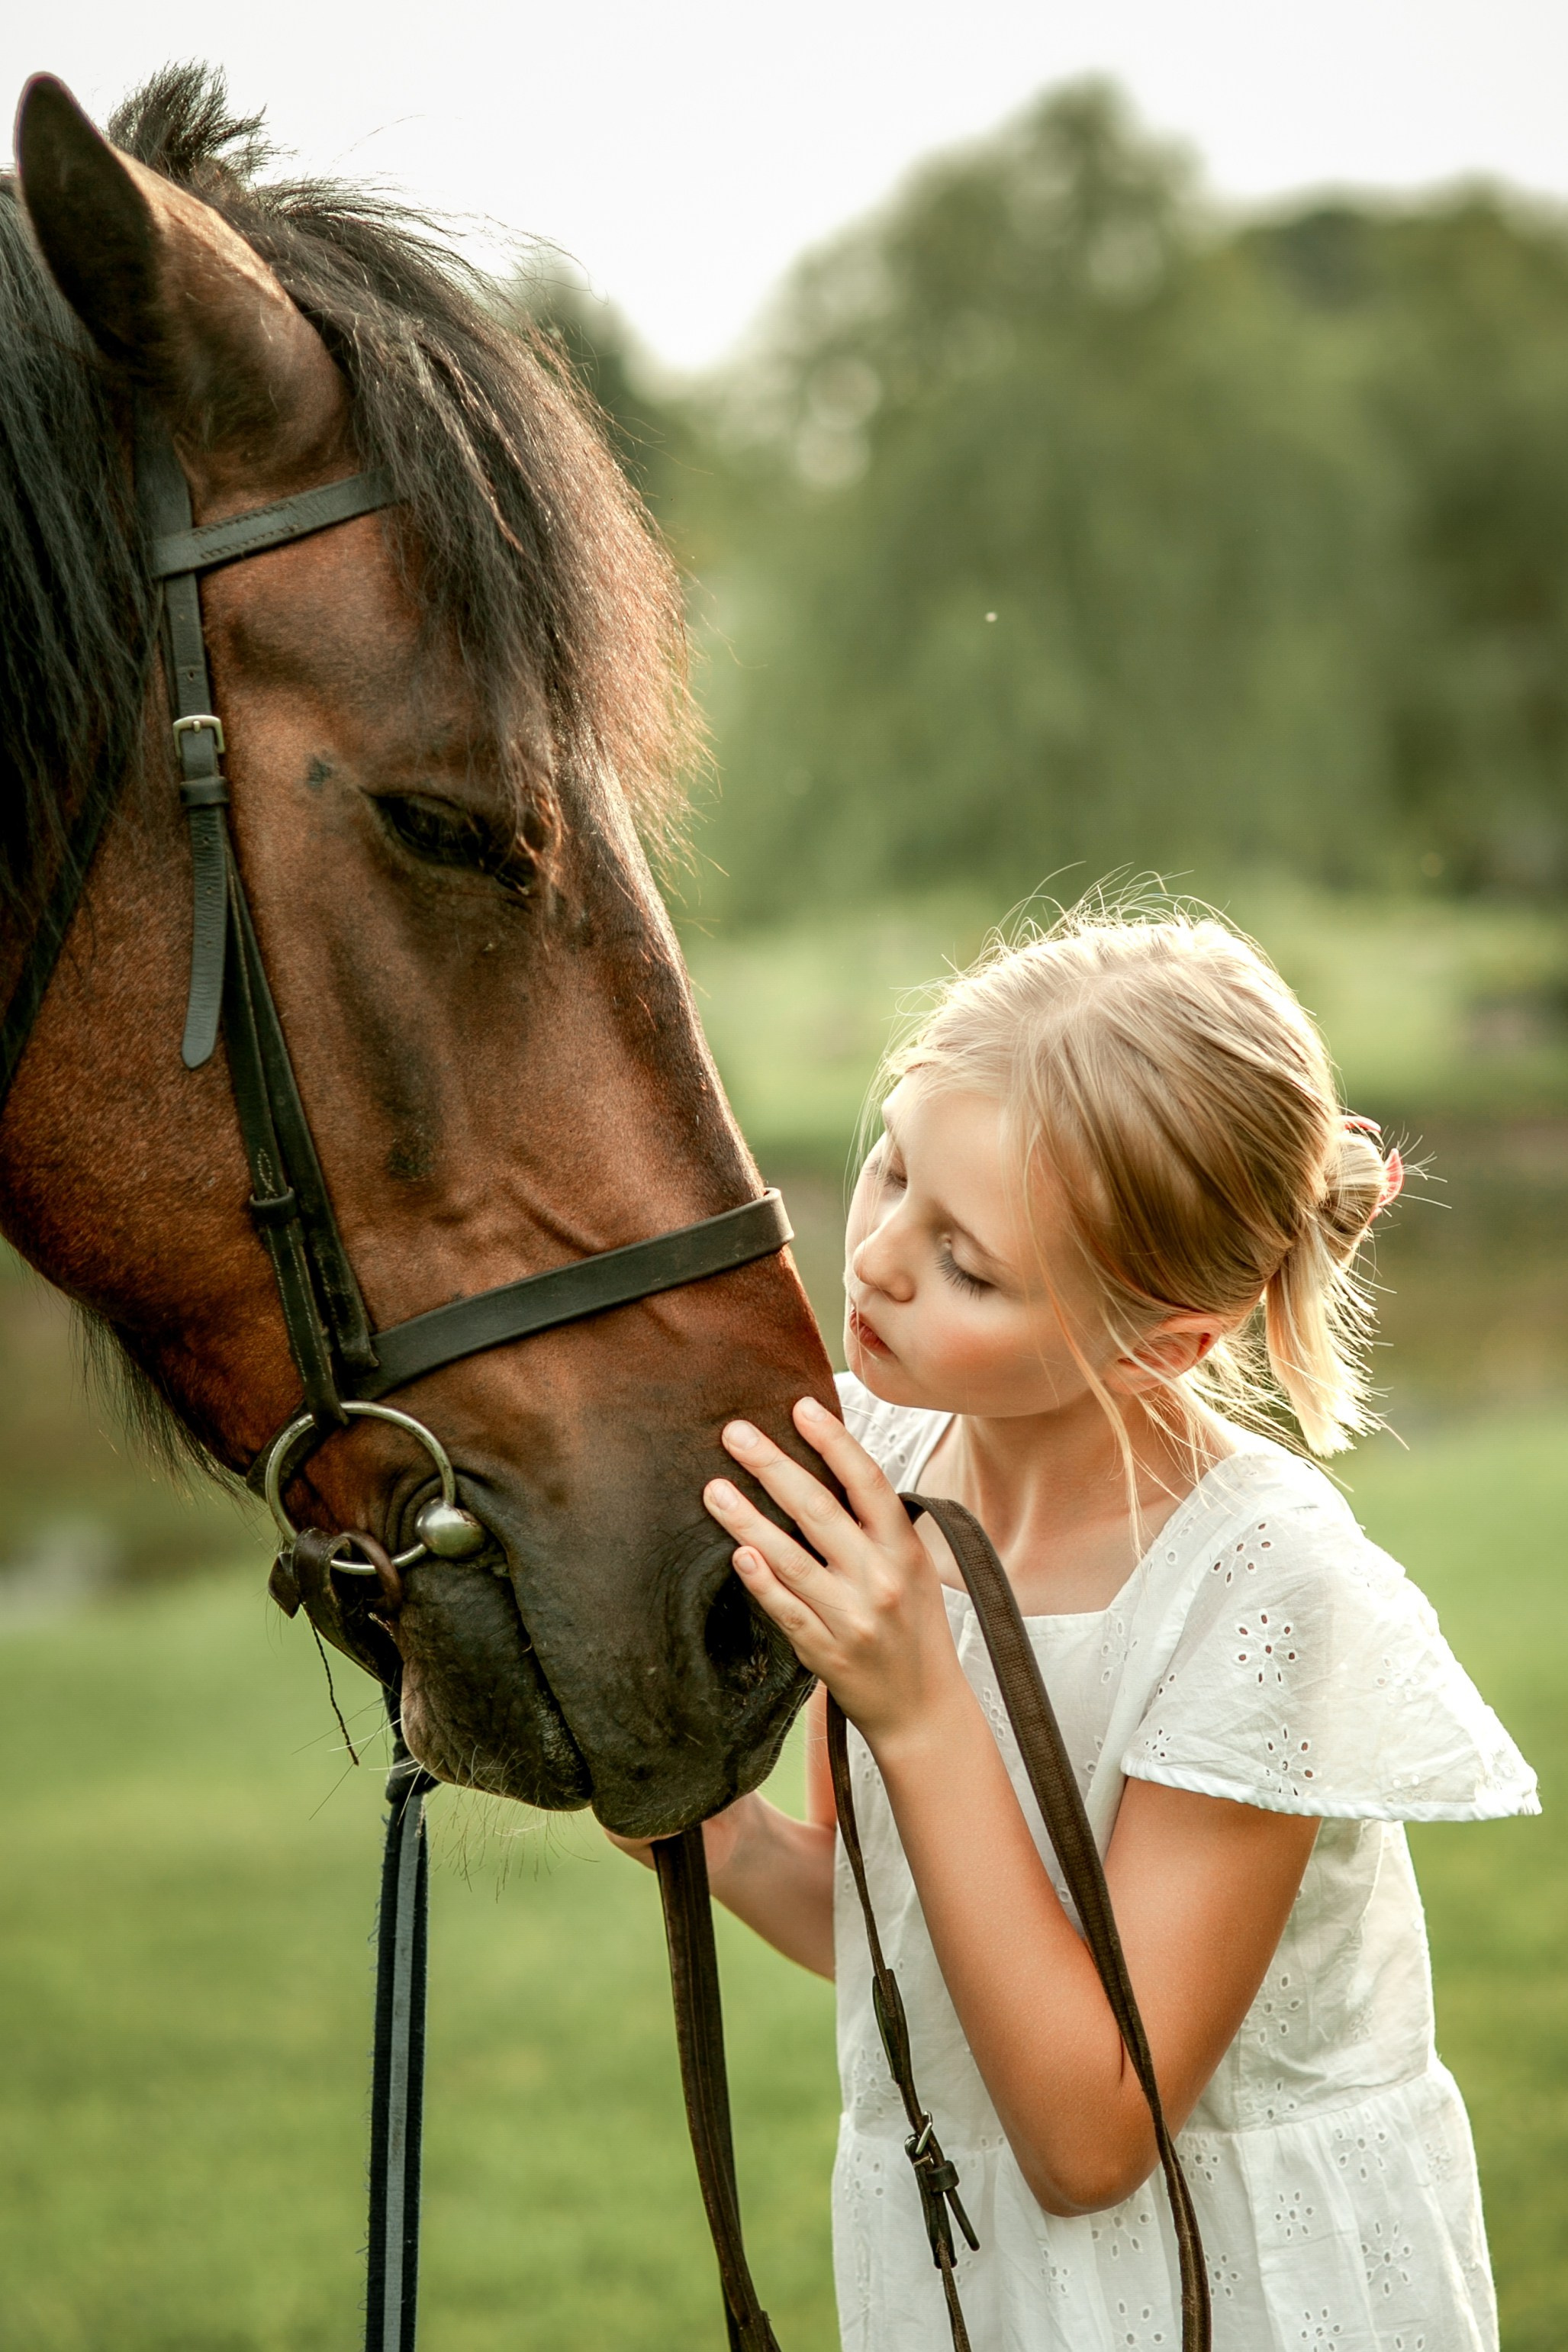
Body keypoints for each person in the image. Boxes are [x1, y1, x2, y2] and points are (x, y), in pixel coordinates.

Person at [613, 906, 1537, 2351]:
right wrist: (709, 1830)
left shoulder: (1262, 1596)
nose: (879, 1262)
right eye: (893, 1164)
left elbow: (1090, 2132)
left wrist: (915, 1698)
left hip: (1236, 2292)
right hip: (966, 2278)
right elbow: (888, 1932)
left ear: (1162, 1335)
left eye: (969, 1263)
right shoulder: (885, 1462)